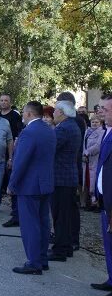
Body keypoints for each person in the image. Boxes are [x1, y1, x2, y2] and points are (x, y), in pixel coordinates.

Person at [7, 101, 56, 275]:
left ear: (28, 114)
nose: (22, 115)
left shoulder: (28, 133)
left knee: (30, 225)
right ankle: (42, 259)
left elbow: (20, 162)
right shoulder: (49, 130)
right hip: (45, 184)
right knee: (43, 223)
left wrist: (12, 184)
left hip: (29, 185)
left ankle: (34, 262)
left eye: (23, 112)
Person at [48, 100, 82, 262]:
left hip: (61, 178)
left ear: (61, 112)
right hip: (68, 177)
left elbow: (50, 147)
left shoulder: (64, 128)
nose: (53, 113)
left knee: (60, 216)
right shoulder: (72, 126)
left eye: (55, 111)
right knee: (65, 216)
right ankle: (66, 246)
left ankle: (59, 250)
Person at [90, 93, 112, 296]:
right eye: (100, 108)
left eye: (105, 109)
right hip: (106, 201)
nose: (100, 111)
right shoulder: (108, 131)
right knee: (109, 247)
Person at [57, 91, 86, 251]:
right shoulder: (70, 122)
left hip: (70, 167)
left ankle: (72, 239)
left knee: (69, 207)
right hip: (70, 167)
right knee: (65, 208)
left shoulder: (75, 122)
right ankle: (64, 236)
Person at [0, 94, 24, 228]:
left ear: (10, 102)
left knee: (12, 182)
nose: (3, 103)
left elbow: (18, 136)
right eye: (1, 100)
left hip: (11, 154)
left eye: (6, 101)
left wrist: (11, 156)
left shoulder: (15, 116)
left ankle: (16, 213)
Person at [83, 116, 105, 210]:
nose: (94, 124)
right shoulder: (87, 132)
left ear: (100, 123)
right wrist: (83, 154)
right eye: (93, 122)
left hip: (95, 158)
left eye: (97, 122)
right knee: (88, 180)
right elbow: (83, 144)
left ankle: (96, 202)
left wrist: (87, 152)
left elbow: (98, 145)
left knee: (94, 180)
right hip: (86, 160)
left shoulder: (102, 132)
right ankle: (91, 201)